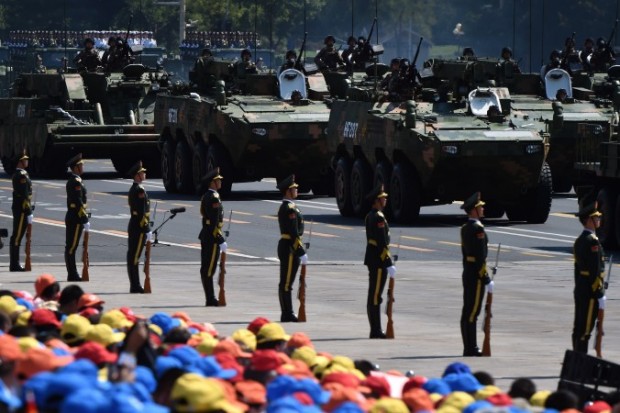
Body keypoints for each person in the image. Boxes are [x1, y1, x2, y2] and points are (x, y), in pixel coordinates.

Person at [460, 192, 492, 356]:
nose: (483, 209)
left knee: (468, 310)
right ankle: (471, 348)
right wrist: (486, 278)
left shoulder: (466, 227)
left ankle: (469, 346)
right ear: (473, 210)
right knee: (473, 311)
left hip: (468, 273)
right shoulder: (477, 229)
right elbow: (479, 257)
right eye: (480, 207)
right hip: (476, 275)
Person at [572, 199, 605, 353]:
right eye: (596, 217)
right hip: (590, 290)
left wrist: (579, 285)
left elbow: (577, 269)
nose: (599, 219)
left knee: (579, 324)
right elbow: (595, 270)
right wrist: (599, 291)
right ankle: (581, 359)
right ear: (588, 221)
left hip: (581, 287)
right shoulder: (592, 242)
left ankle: (576, 356)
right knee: (586, 328)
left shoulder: (579, 241)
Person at [364, 184, 396, 339]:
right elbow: (381, 243)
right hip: (378, 261)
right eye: (383, 198)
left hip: (375, 259)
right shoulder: (377, 217)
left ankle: (375, 329)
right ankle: (375, 330)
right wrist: (388, 262)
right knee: (376, 295)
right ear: (376, 201)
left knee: (375, 294)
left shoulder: (372, 215)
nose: (385, 200)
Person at [276, 175, 307, 322]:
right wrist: (300, 250)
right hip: (289, 248)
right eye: (294, 188)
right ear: (288, 191)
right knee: (286, 282)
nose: (296, 190)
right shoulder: (289, 209)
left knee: (288, 282)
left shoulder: (291, 207)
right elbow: (293, 233)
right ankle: (286, 313)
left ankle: (287, 312)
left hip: (290, 246)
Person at [199, 168, 227, 307]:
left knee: (208, 267)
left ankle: (210, 297)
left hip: (208, 235)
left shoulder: (208, 196)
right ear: (212, 183)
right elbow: (214, 221)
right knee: (209, 268)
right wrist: (219, 238)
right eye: (218, 180)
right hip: (211, 236)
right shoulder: (214, 197)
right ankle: (210, 298)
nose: (220, 182)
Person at [126, 161, 151, 294]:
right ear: (137, 176)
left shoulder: (137, 189)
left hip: (136, 225)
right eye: (142, 173)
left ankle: (135, 284)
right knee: (134, 257)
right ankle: (135, 285)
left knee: (134, 256)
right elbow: (141, 212)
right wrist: (146, 229)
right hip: (139, 227)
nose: (144, 174)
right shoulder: (139, 190)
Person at [65, 154, 89, 282]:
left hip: (75, 217)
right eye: (80, 165)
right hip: (76, 218)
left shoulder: (76, 180)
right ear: (75, 168)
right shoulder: (75, 181)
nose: (82, 167)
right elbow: (78, 202)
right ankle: (72, 273)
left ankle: (72, 273)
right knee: (71, 247)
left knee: (71, 246)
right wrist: (84, 218)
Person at [9, 153, 33, 272]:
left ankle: (15, 263)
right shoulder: (20, 175)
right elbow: (24, 195)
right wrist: (28, 211)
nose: (27, 161)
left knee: (18, 236)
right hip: (21, 210)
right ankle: (14, 264)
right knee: (17, 236)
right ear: (20, 162)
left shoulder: (23, 174)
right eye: (25, 160)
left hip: (22, 209)